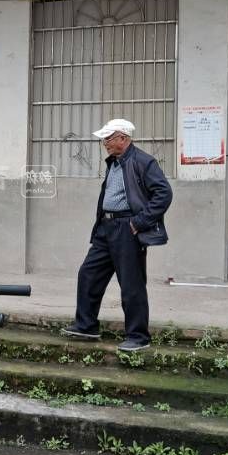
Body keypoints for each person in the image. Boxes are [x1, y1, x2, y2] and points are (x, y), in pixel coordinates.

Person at [62, 119, 173, 351]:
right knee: (88, 273)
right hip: (106, 227)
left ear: (123, 138)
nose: (104, 143)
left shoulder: (143, 161)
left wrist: (139, 222)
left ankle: (138, 337)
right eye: (104, 139)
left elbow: (163, 193)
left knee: (131, 284)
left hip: (127, 227)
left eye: (108, 138)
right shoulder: (114, 162)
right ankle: (86, 325)